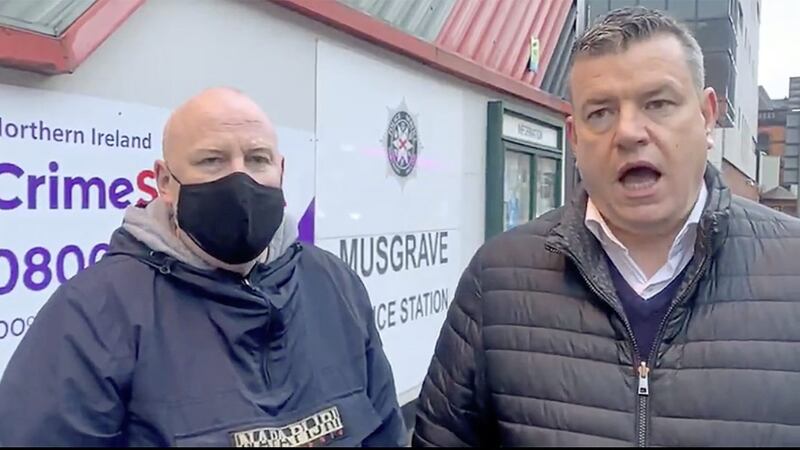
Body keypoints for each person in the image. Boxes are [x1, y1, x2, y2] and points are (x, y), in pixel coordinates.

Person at [413, 6, 800, 447]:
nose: (630, 132)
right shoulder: (497, 279)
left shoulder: (793, 268)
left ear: (706, 116)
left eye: (658, 104)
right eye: (601, 113)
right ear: (574, 138)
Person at [0, 88, 406, 447]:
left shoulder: (335, 286)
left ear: (281, 171)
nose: (240, 179)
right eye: (212, 160)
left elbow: (383, 430)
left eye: (257, 159)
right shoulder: (93, 313)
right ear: (164, 181)